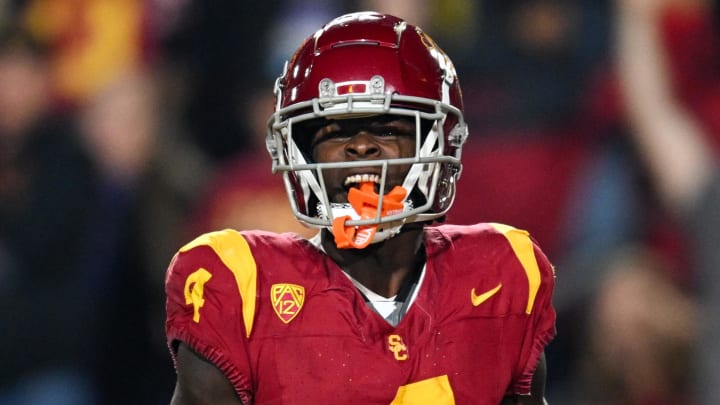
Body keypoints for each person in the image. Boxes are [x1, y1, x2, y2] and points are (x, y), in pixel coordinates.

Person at [164, 11, 556, 404]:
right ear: (301, 150)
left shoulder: (499, 280)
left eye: (387, 128)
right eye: (337, 131)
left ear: (437, 144)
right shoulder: (241, 290)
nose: (362, 146)